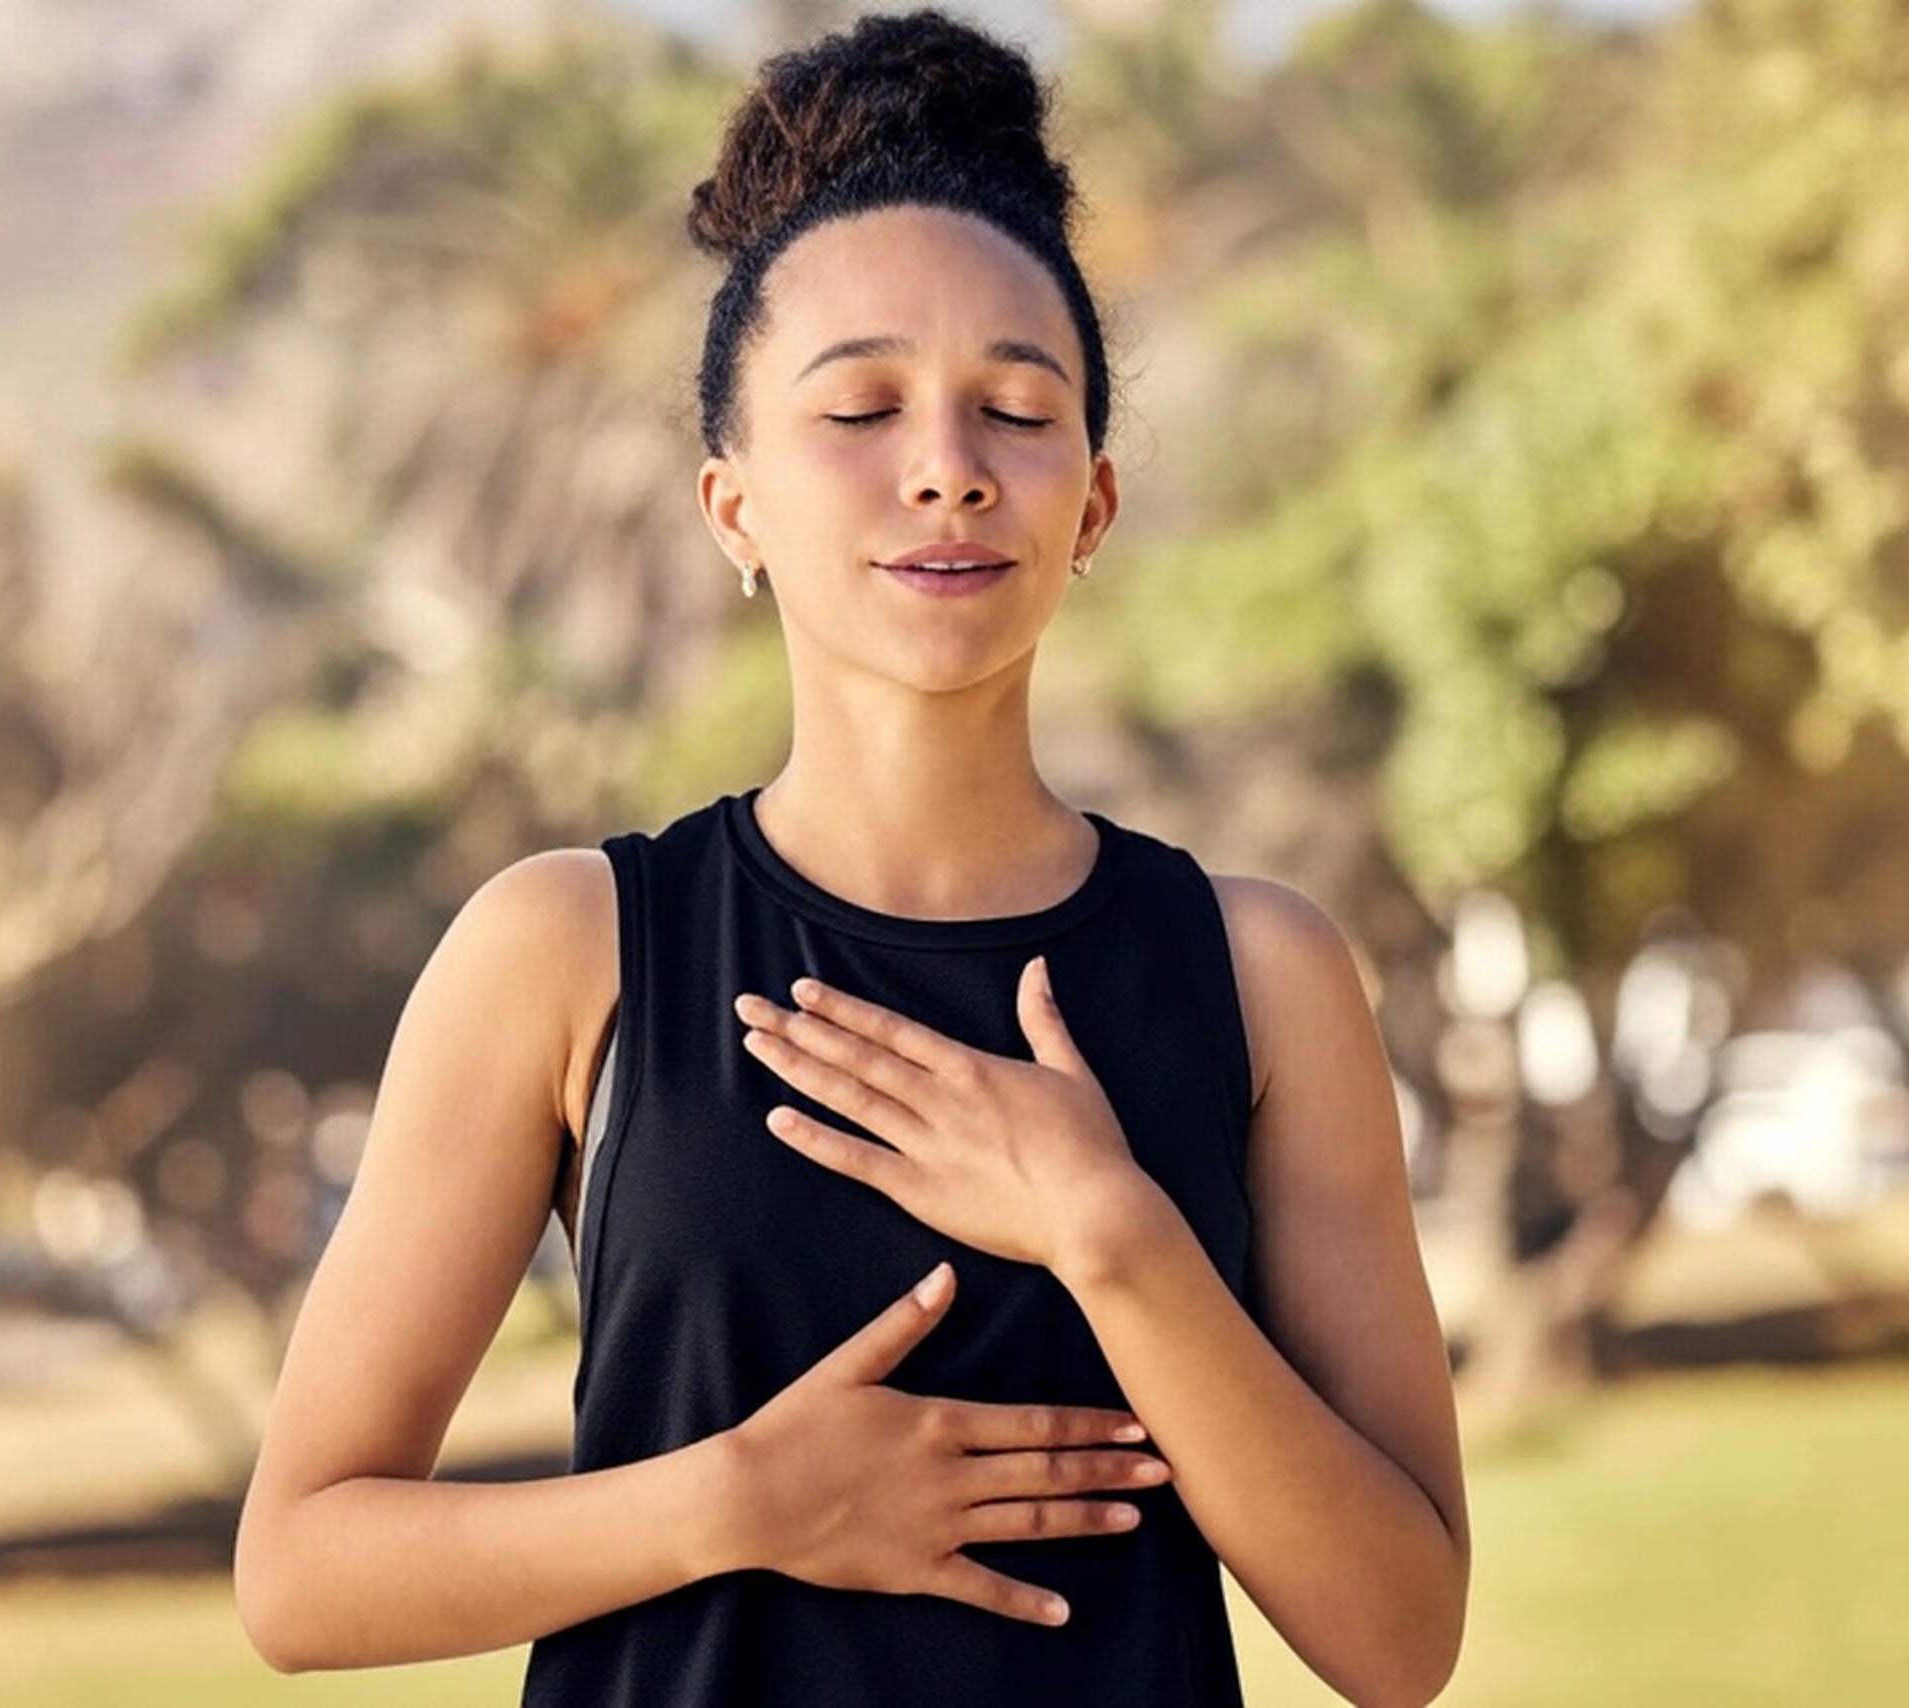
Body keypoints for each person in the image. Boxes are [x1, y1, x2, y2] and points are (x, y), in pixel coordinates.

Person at [231, 11, 1469, 1705]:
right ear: (732, 506)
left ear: (1091, 507)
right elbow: (302, 1571)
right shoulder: (574, 949)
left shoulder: (1259, 973)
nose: (947, 471)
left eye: (1015, 412)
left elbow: (1401, 1641)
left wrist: (1113, 1232)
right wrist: (735, 1501)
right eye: (863, 408)